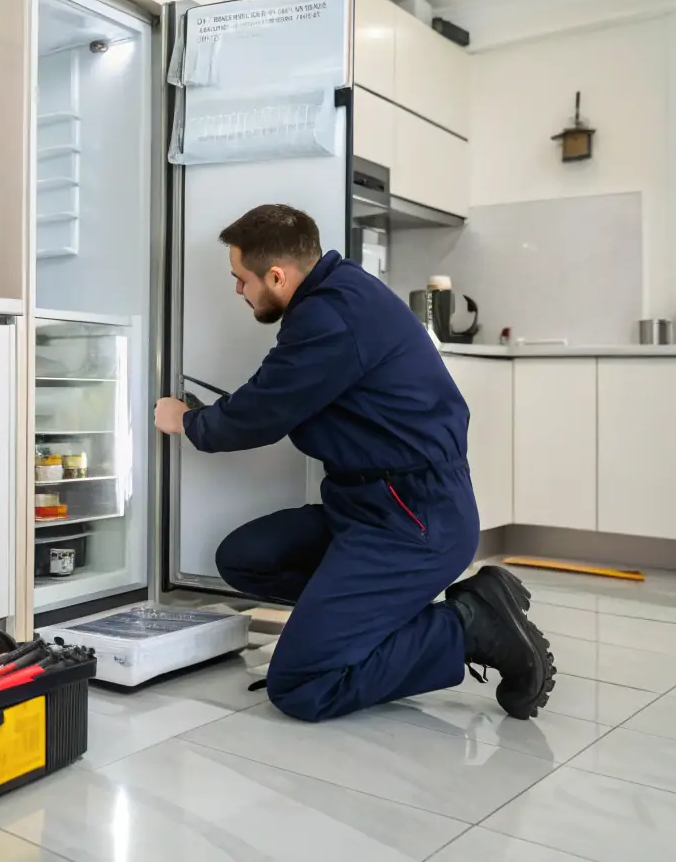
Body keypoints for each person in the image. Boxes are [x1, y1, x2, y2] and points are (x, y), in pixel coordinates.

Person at [154, 204, 555, 723]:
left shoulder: (329, 317)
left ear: (276, 276)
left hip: (414, 520)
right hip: (366, 506)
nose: (237, 291)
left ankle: (466, 626)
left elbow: (260, 413)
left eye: (241, 279)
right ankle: (366, 618)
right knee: (245, 558)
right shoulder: (340, 293)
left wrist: (185, 421)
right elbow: (274, 396)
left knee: (302, 685)